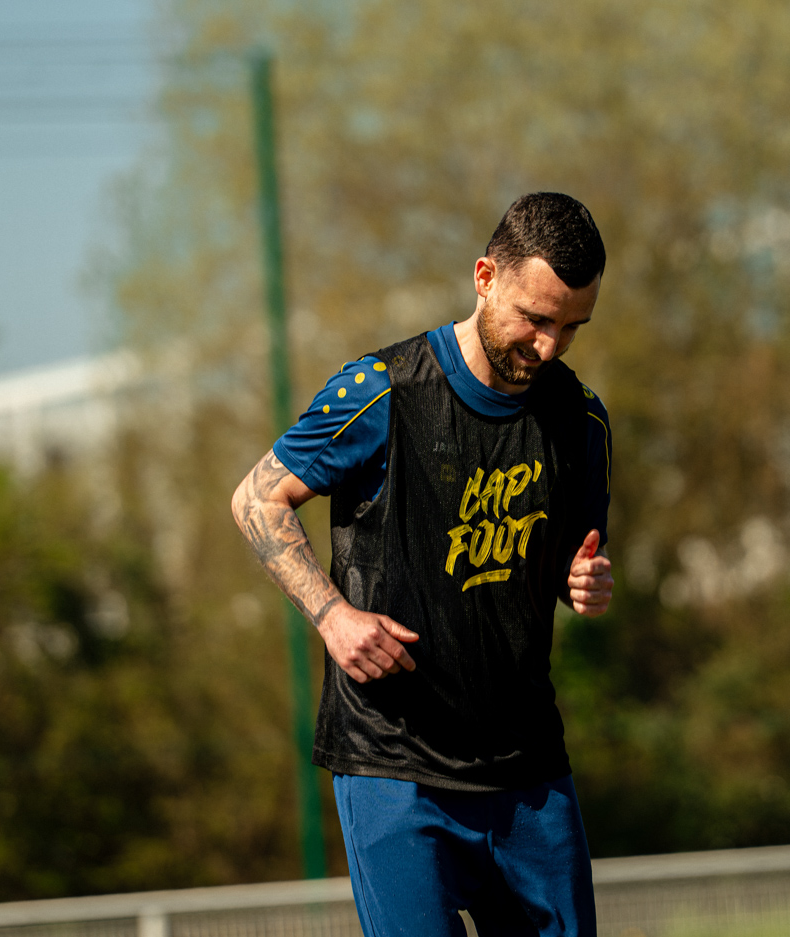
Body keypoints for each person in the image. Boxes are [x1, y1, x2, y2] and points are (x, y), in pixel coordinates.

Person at [231, 192, 613, 937]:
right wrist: (333, 616)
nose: (549, 347)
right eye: (535, 319)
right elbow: (256, 498)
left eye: (572, 327)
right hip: (393, 768)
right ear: (484, 278)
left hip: (528, 771)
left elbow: (577, 566)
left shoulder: (582, 420)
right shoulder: (381, 391)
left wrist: (584, 583)